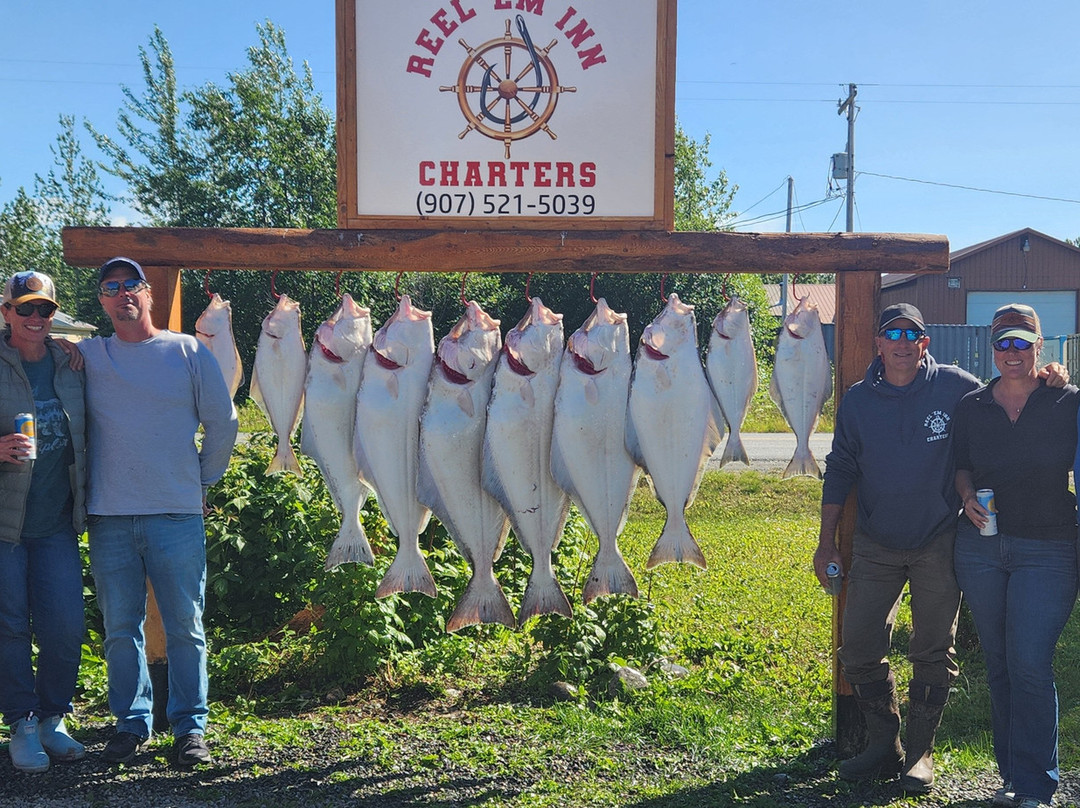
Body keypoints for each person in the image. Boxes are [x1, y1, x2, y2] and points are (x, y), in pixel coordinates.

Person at [813, 302, 1068, 794]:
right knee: (859, 649)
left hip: (938, 542)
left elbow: (1009, 387)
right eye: (894, 334)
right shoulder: (858, 400)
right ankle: (883, 744)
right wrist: (827, 542)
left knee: (933, 650)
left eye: (913, 334)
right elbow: (840, 466)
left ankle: (921, 752)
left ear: (925, 342)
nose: (904, 343)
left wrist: (1054, 373)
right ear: (880, 344)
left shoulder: (957, 387)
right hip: (874, 543)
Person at [81, 257, 237, 767]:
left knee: (185, 625)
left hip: (176, 513)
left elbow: (223, 422)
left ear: (148, 294)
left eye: (132, 285)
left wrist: (201, 481)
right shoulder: (88, 355)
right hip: (109, 516)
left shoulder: (188, 350)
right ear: (101, 300)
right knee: (120, 628)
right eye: (111, 287)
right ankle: (131, 724)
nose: (122, 294)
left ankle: (191, 727)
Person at [953, 304, 1079, 808]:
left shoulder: (1067, 401)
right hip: (981, 548)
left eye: (1022, 342)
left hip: (1048, 549)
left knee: (1030, 662)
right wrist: (966, 497)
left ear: (1039, 347)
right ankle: (1012, 774)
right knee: (1001, 663)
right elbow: (961, 464)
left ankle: (1035, 785)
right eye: (1003, 342)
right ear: (992, 347)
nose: (1012, 352)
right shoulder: (972, 405)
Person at [0, 271, 87, 773]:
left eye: (44, 310)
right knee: (9, 626)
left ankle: (53, 718)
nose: (35, 318)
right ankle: (22, 722)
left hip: (55, 522)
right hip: (5, 528)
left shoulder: (70, 362)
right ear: (6, 312)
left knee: (64, 626)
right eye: (25, 308)